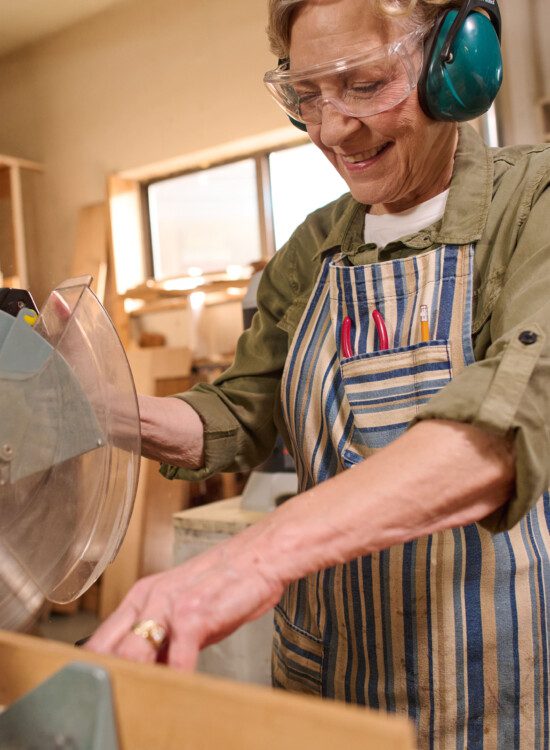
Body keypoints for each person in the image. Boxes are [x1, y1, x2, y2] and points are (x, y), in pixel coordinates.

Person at [88, 0, 550, 746]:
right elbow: (240, 411)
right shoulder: (316, 245)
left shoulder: (533, 205)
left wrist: (253, 557)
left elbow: (514, 415)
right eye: (308, 95)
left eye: (365, 85)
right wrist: (90, 407)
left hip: (496, 672)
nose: (332, 130)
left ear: (456, 66)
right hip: (332, 670)